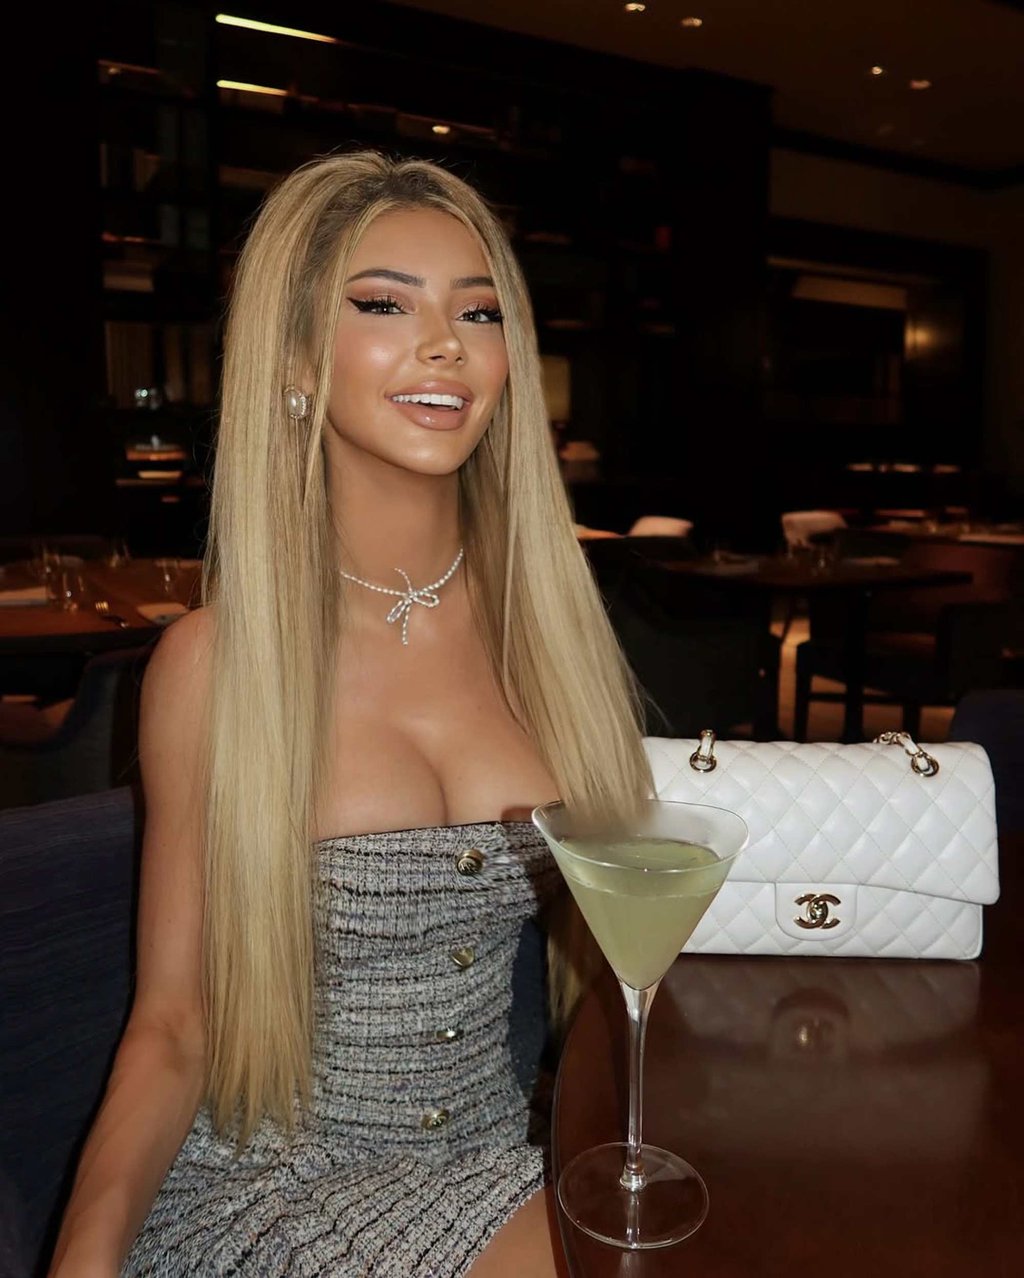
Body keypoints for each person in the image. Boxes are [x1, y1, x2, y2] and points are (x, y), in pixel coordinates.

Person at [48, 151, 651, 1277]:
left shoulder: (552, 643)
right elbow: (174, 1025)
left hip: (495, 1170)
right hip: (272, 1196)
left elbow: (628, 963)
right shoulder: (216, 665)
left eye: (478, 311)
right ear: (293, 359)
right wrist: (82, 1260)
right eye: (383, 304)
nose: (445, 344)